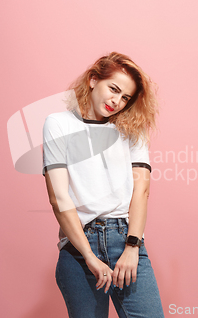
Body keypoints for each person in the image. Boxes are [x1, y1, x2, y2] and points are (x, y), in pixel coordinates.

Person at [42, 52, 165, 318]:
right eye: (114, 89)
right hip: (79, 244)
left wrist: (133, 247)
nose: (116, 101)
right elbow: (59, 198)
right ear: (93, 80)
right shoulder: (58, 124)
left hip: (126, 239)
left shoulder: (133, 130)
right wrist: (88, 255)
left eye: (125, 98)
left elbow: (141, 192)